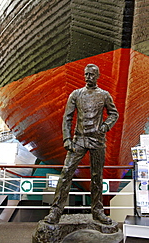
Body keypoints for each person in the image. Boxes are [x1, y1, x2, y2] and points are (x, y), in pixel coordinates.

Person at [44, 63, 119, 225]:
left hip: (98, 141)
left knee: (97, 177)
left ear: (97, 76)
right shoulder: (76, 94)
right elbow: (67, 118)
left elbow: (114, 113)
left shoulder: (104, 95)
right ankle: (56, 211)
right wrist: (66, 139)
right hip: (78, 140)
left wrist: (106, 126)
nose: (87, 77)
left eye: (91, 75)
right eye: (86, 74)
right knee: (66, 173)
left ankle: (98, 211)